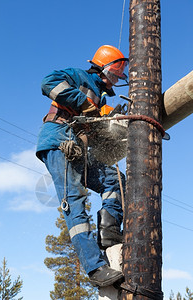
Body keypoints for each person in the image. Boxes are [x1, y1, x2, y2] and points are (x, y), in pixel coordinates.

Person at [36, 45, 128, 287]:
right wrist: (83, 103)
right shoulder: (80, 77)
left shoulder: (101, 95)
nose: (117, 80)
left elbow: (95, 131)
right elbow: (49, 82)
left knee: (114, 180)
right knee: (75, 201)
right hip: (59, 141)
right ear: (104, 69)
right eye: (116, 74)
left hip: (80, 148)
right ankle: (95, 268)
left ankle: (108, 231)